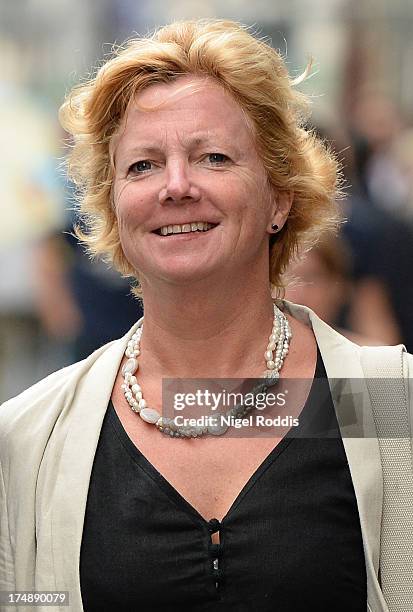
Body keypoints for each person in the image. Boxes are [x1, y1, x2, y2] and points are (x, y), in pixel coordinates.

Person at [1, 20, 412, 612]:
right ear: (113, 204)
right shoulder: (33, 437)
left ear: (279, 197)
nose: (175, 186)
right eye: (142, 165)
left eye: (213, 157)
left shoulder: (382, 400)